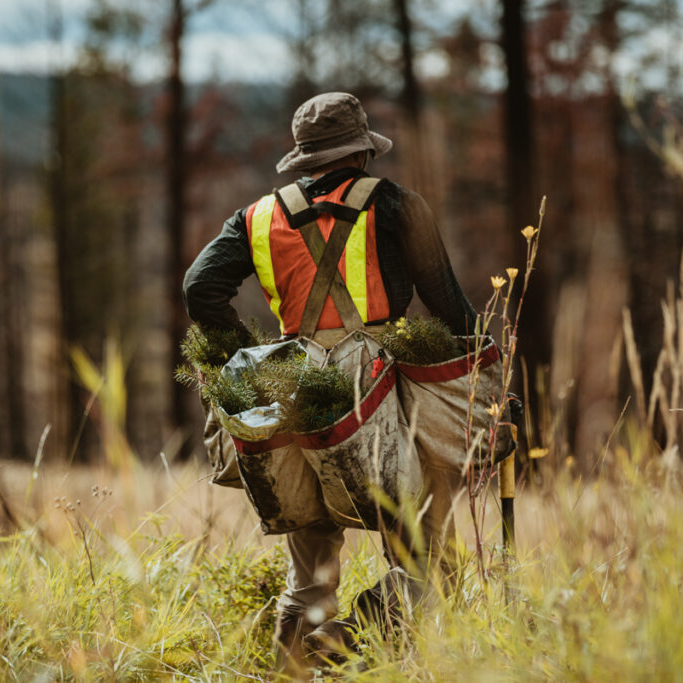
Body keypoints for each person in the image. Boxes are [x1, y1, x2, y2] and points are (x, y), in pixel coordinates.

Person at [183, 92, 480, 672]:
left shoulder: (256, 217)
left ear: (305, 159)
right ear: (363, 152)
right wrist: (493, 391)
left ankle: (296, 668)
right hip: (377, 394)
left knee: (309, 566)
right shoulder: (397, 207)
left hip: (290, 392)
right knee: (421, 558)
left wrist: (253, 365)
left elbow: (200, 288)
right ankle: (357, 644)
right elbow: (451, 310)